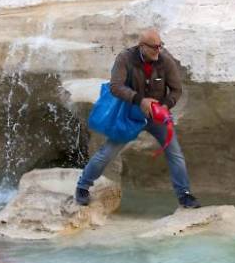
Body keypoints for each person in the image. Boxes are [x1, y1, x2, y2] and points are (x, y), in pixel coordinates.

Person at [75, 29, 201, 209]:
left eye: (160, 46)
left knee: (175, 153)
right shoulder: (125, 59)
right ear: (142, 46)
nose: (158, 50)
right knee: (107, 153)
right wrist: (139, 101)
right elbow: (115, 87)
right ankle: (82, 187)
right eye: (154, 47)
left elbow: (176, 89)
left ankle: (185, 195)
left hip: (157, 116)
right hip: (130, 114)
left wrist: (165, 106)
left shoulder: (165, 60)